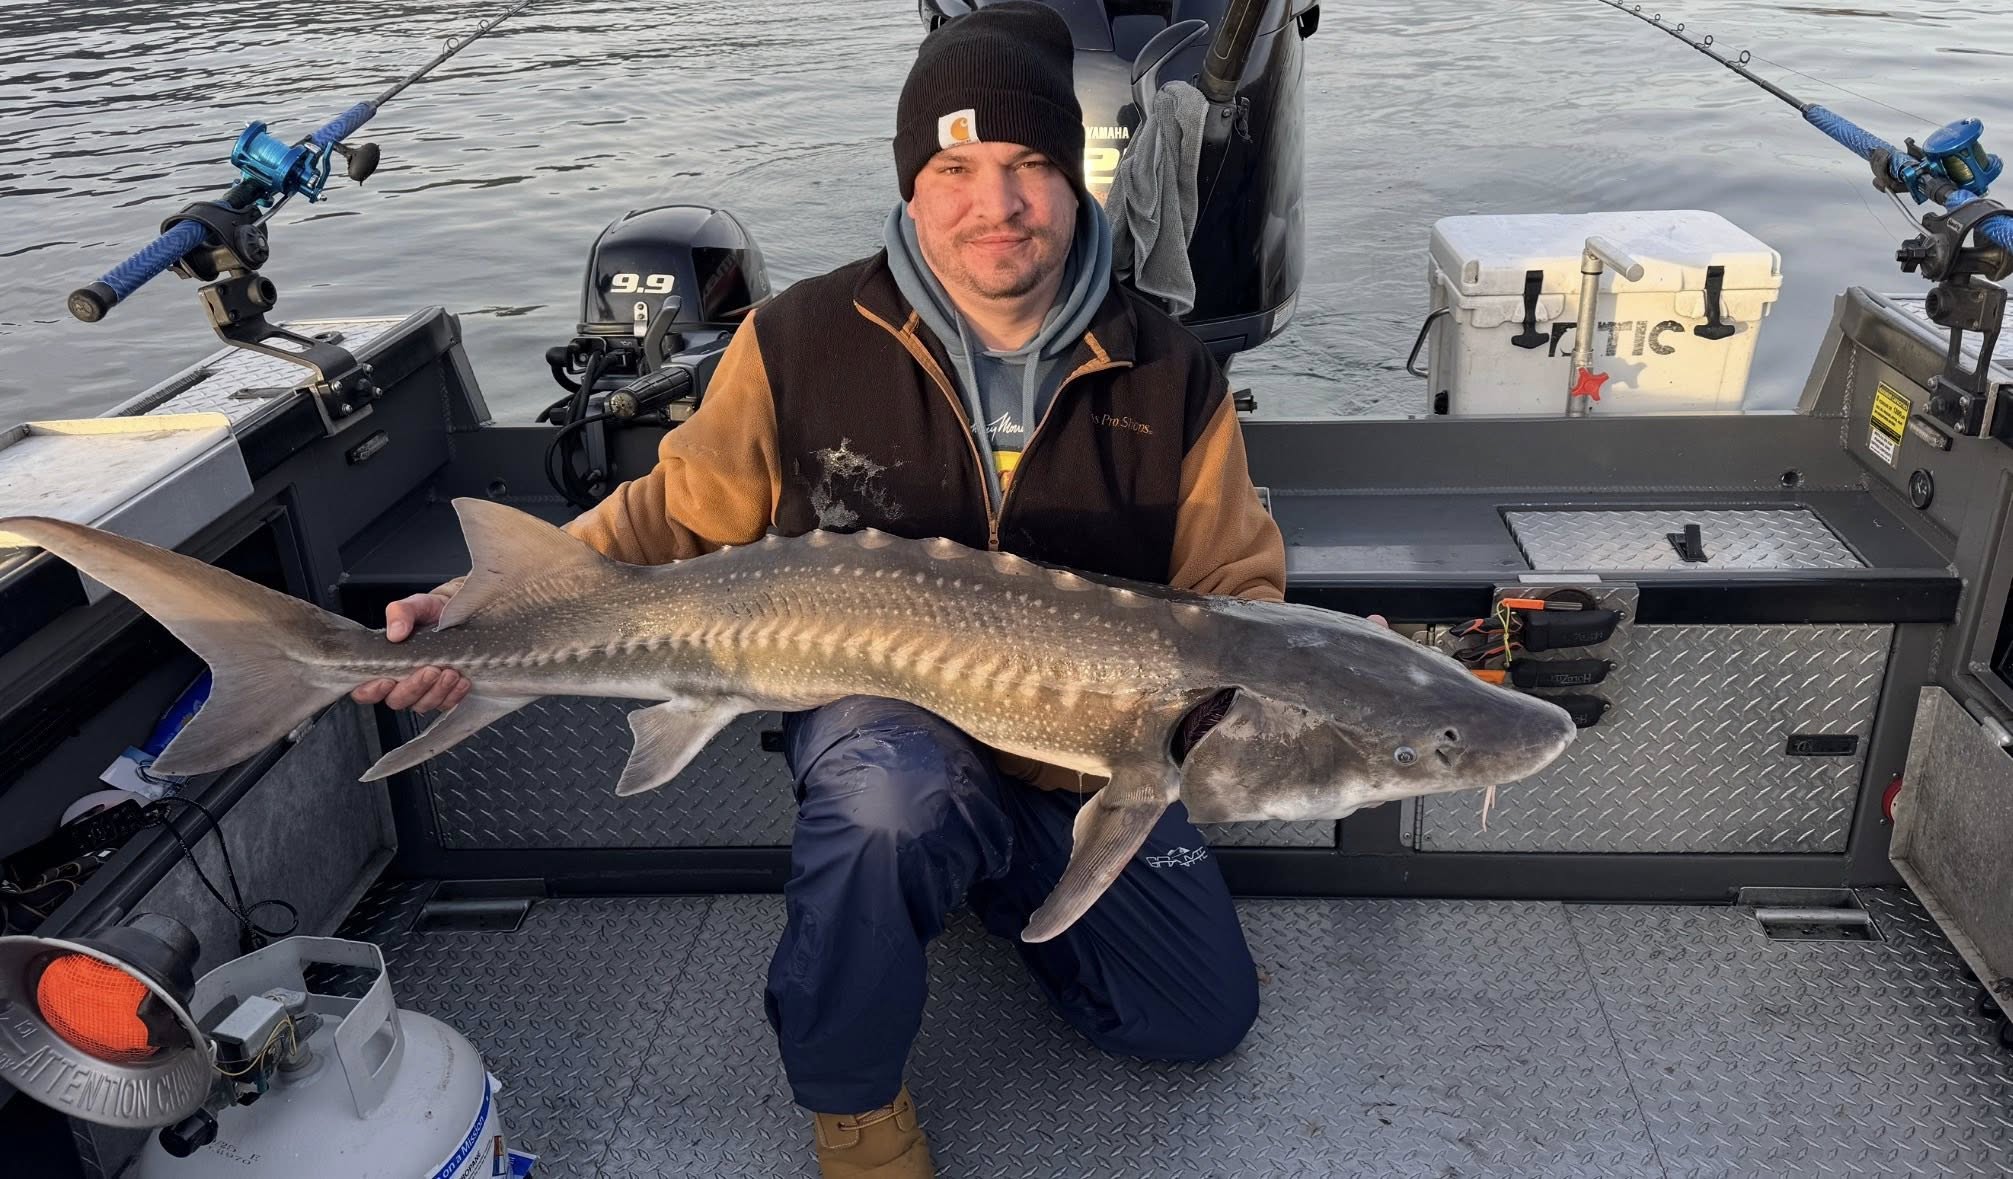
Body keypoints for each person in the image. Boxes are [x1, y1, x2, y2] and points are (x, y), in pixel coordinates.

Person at [352, 4, 1285, 1176]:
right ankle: (852, 1098)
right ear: (911, 186)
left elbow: (1234, 590)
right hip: (878, 721)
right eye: (955, 168)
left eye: (1028, 166)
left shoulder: (1168, 364)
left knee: (1195, 1019)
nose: (994, 206)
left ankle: (994, 863)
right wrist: (480, 612)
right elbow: (672, 513)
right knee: (893, 800)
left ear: (1073, 181)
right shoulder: (801, 337)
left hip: (1087, 742)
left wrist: (1302, 661)